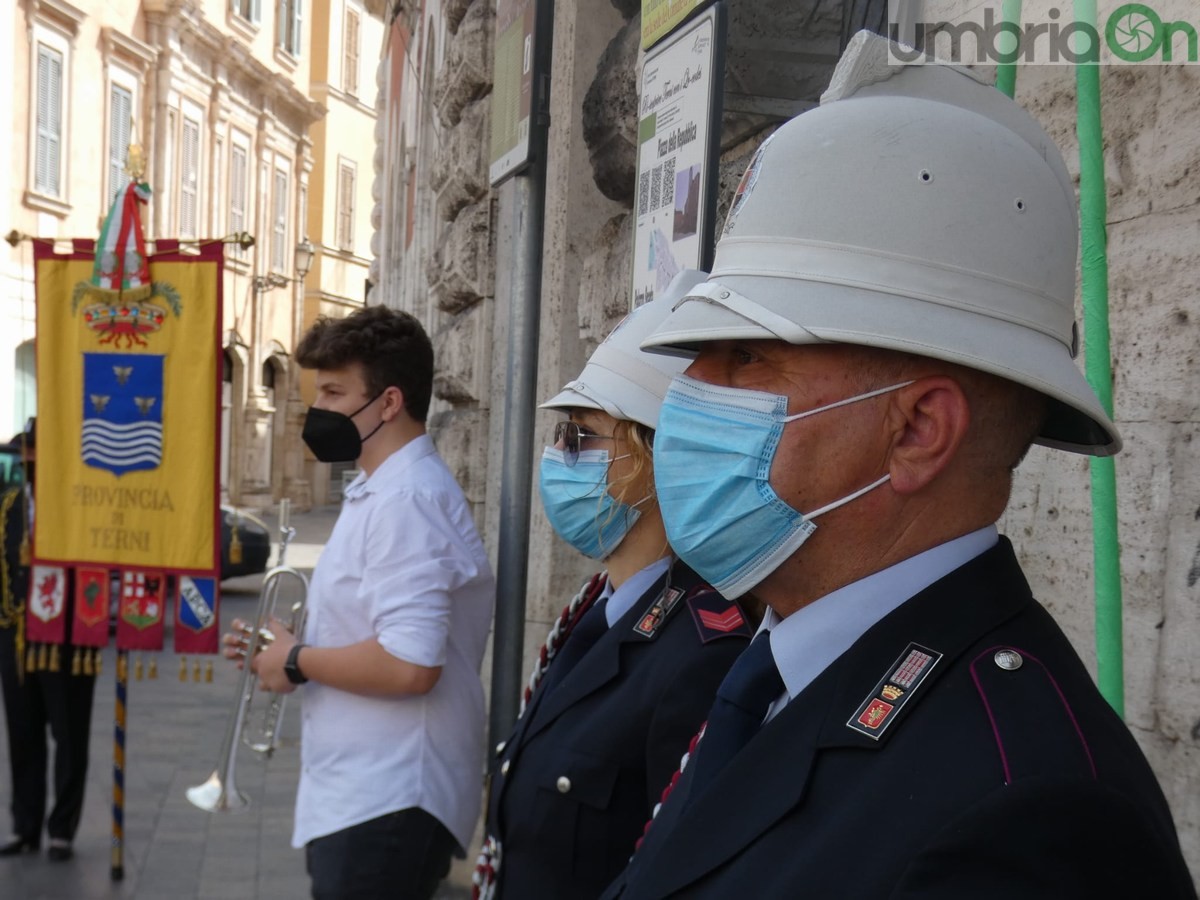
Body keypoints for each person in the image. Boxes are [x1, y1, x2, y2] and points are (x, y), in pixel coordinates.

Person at [602, 32, 1197, 899]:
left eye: (746, 355)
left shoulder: (1027, 814)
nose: (688, 392)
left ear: (919, 430)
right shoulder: (778, 668)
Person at [475, 272, 754, 900]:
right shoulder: (592, 611)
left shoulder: (702, 656)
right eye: (560, 436)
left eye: (582, 437)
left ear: (654, 463)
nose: (559, 456)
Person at [223, 306, 495, 900]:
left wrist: (297, 660)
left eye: (333, 392)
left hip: (390, 796)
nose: (317, 408)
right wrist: (289, 650)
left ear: (389, 402)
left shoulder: (408, 501)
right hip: (365, 793)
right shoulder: (380, 487)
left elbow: (411, 665)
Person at [0, 418, 97, 862]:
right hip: (16, 640)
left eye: (37, 453)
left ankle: (62, 829)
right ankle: (25, 826)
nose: (30, 460)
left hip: (68, 641)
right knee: (23, 735)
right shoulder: (9, 507)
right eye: (26, 454)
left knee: (69, 734)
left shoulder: (82, 506)